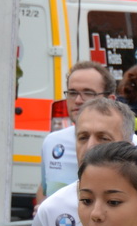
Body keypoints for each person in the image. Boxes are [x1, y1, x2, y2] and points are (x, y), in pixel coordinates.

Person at [38, 61, 118, 197]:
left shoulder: (134, 145)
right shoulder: (52, 142)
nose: (78, 100)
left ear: (110, 100)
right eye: (72, 92)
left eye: (88, 93)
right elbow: (44, 191)